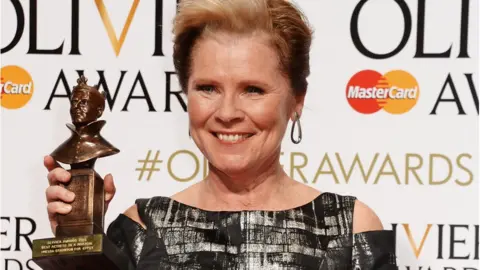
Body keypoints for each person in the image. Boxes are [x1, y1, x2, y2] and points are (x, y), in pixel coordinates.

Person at [44, 0, 398, 268]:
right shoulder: (141, 228)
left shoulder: (349, 229)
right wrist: (77, 246)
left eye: (253, 90)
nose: (227, 113)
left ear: (296, 102)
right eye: (208, 88)